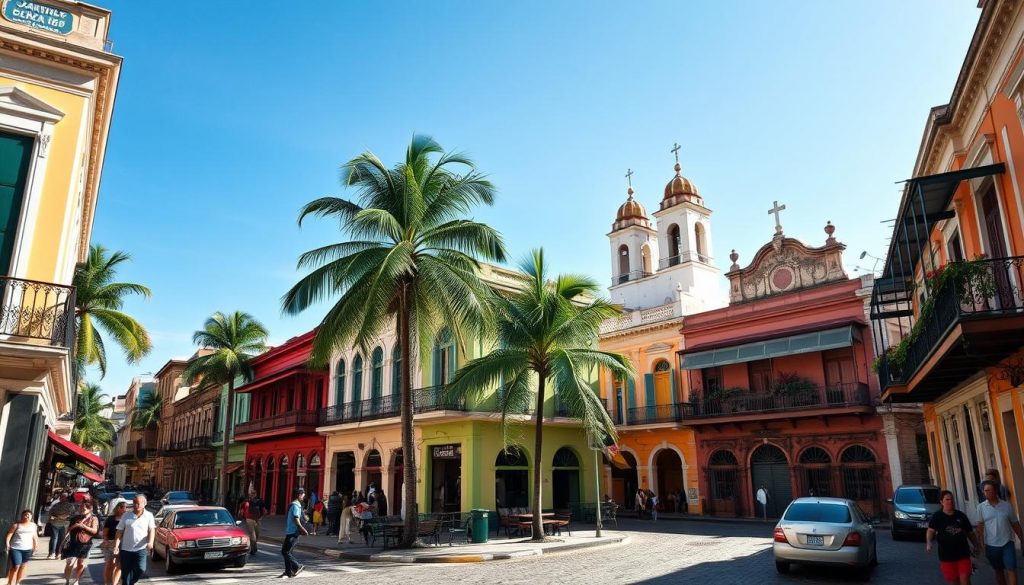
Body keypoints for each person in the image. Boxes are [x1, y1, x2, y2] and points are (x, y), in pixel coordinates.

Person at [977, 480, 1024, 585]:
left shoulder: (1006, 506)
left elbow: (1015, 524)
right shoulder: (981, 507)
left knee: (1011, 568)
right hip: (991, 545)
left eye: (989, 490)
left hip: (1007, 543)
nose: (986, 493)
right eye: (985, 491)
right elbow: (980, 526)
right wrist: (980, 543)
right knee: (999, 571)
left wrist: (1022, 539)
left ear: (995, 491)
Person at [927, 490, 980, 585]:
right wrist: (929, 542)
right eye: (947, 499)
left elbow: (970, 533)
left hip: (963, 554)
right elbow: (931, 531)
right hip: (946, 557)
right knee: (954, 582)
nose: (950, 501)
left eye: (952, 499)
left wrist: (976, 545)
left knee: (965, 580)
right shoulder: (937, 517)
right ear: (941, 502)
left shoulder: (961, 516)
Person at [113, 495, 156, 585]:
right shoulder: (126, 515)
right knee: (125, 574)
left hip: (141, 549)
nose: (136, 505)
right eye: (134, 503)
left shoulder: (149, 515)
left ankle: (131, 582)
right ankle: (127, 582)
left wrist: (151, 542)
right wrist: (116, 546)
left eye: (138, 503)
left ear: (144, 504)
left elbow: (152, 529)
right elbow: (119, 531)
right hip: (126, 550)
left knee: (141, 569)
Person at [62, 501, 98, 585]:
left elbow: (94, 531)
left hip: (85, 544)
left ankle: (76, 581)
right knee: (70, 563)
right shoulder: (75, 518)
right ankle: (67, 581)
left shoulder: (94, 519)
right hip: (73, 543)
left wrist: (83, 526)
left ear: (90, 509)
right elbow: (68, 530)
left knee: (81, 564)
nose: (81, 509)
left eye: (83, 508)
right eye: (80, 508)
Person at [5, 509, 38, 585]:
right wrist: (7, 544)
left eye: (29, 515)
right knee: (16, 566)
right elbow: (9, 535)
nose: (27, 516)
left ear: (31, 516)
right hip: (16, 548)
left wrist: (35, 546)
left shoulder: (33, 525)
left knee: (23, 566)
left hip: (28, 549)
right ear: (22, 516)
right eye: (25, 515)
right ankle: (9, 582)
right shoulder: (16, 525)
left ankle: (18, 582)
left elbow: (35, 536)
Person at [281, 488, 309, 579]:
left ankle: (297, 566)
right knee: (287, 552)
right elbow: (296, 518)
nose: (304, 496)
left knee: (285, 551)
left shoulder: (295, 505)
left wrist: (303, 529)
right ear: (299, 495)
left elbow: (296, 519)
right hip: (292, 531)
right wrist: (303, 529)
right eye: (303, 494)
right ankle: (288, 571)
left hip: (293, 532)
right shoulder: (296, 505)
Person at [101, 502, 126, 585]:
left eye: (126, 508)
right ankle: (107, 583)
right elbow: (105, 533)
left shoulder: (126, 519)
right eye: (123, 507)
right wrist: (105, 540)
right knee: (109, 564)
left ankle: (114, 583)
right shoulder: (110, 519)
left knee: (119, 565)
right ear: (118, 508)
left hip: (123, 544)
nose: (125, 510)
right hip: (110, 543)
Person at [46, 493, 76, 560]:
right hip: (55, 523)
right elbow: (50, 514)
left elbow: (72, 515)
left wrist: (64, 517)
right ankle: (52, 553)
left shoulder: (70, 506)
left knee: (61, 539)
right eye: (61, 496)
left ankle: (58, 553)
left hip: (64, 524)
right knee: (54, 538)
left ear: (67, 498)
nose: (61, 498)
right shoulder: (56, 505)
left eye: (63, 497)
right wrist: (53, 519)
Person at [237, 492, 263, 556]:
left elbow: (263, 510)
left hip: (258, 520)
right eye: (251, 493)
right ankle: (253, 549)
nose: (252, 494)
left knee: (257, 535)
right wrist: (240, 517)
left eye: (254, 493)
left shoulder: (260, 501)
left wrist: (261, 517)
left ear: (256, 494)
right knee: (253, 535)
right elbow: (241, 511)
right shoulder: (246, 502)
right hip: (249, 519)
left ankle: (254, 545)